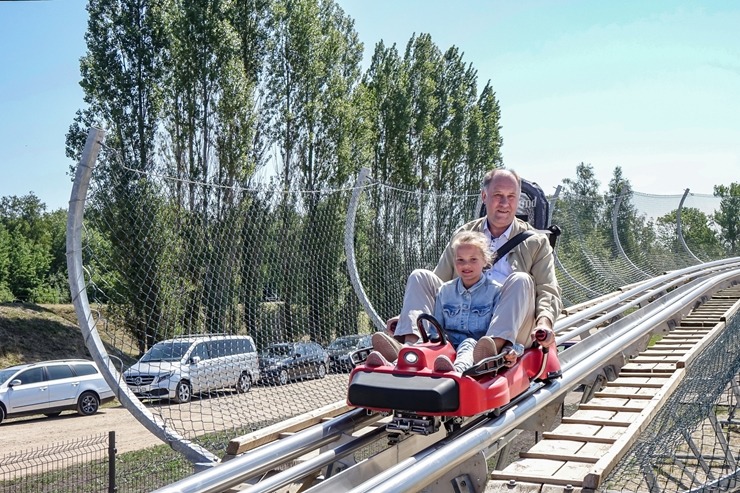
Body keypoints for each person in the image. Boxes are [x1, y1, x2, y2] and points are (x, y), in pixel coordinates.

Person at [368, 168, 561, 369]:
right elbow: (440, 282)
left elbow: (548, 290)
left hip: (506, 319)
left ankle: (490, 350)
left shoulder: (535, 242)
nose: (505, 203)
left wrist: (544, 322)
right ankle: (412, 345)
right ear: (484, 196)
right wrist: (410, 315)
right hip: (460, 314)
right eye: (498, 195)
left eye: (511, 196)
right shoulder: (464, 234)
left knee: (521, 280)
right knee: (420, 276)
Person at [428, 231, 499, 373]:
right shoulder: (445, 291)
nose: (466, 266)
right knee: (428, 345)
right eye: (460, 260)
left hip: (476, 352)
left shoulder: (495, 292)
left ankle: (457, 371)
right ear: (454, 261)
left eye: (473, 260)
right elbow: (435, 330)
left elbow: (496, 331)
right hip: (447, 347)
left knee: (468, 343)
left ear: (485, 261)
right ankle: (396, 362)